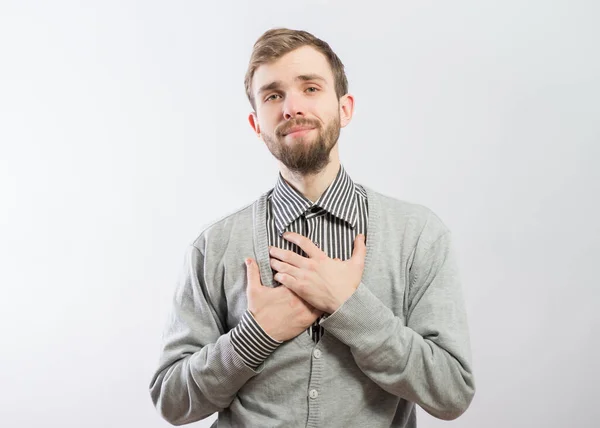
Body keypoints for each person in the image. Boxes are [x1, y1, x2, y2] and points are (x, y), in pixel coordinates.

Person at [149, 28, 475, 427]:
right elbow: (171, 400)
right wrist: (255, 335)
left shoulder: (419, 235)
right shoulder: (213, 246)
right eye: (273, 95)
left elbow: (451, 393)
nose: (292, 107)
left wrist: (351, 307)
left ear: (345, 108)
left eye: (310, 88)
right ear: (256, 124)